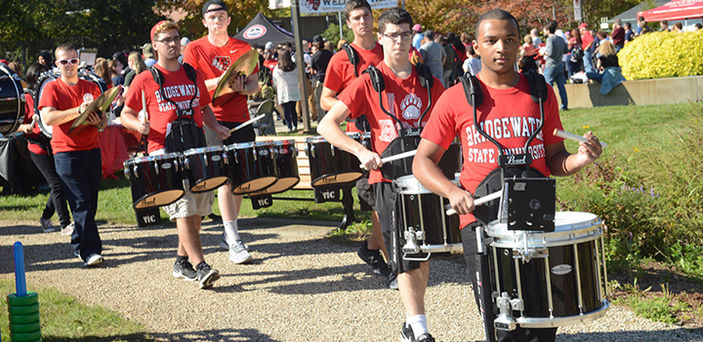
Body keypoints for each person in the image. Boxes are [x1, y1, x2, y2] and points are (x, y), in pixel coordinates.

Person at [412, 9, 603, 342]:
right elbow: (423, 161)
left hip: (536, 217)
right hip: (482, 224)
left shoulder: (541, 93)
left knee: (543, 321)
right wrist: (452, 191)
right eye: (492, 40)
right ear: (476, 46)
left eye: (509, 40)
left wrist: (581, 159)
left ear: (520, 46)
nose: (501, 47)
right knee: (503, 323)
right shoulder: (457, 98)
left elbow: (555, 158)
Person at [319, 8, 445, 341]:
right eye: (392, 35)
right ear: (382, 38)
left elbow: (451, 126)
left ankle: (412, 322)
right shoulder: (369, 81)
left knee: (423, 252)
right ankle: (419, 327)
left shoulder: (429, 83)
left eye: (405, 34)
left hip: (424, 177)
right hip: (388, 180)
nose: (399, 41)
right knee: (404, 254)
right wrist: (361, 151)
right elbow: (326, 124)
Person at [121, 20, 230, 289]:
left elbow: (204, 107)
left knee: (198, 212)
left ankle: (181, 262)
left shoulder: (192, 74)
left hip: (195, 148)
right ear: (155, 45)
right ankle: (201, 265)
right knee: (183, 208)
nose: (172, 44)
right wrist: (138, 125)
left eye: (176, 38)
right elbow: (125, 114)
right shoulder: (145, 78)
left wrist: (216, 127)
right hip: (164, 153)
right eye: (166, 40)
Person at [319, 0, 394, 289]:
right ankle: (390, 263)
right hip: (358, 138)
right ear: (348, 23)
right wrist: (353, 106)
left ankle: (371, 248)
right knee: (379, 200)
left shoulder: (386, 49)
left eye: (367, 16)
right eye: (357, 17)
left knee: (385, 199)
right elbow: (325, 100)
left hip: (388, 134)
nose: (363, 21)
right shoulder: (341, 59)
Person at [182, 0, 260, 264]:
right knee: (225, 179)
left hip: (242, 119)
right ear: (204, 22)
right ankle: (234, 241)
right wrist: (224, 79)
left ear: (229, 20)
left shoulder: (243, 48)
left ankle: (230, 233)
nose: (217, 20)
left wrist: (241, 88)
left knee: (239, 180)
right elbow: (193, 85)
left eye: (222, 16)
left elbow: (254, 86)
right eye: (212, 17)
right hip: (211, 120)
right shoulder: (194, 48)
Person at [39, 44, 108, 267]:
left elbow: (103, 119)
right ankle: (91, 251)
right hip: (65, 152)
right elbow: (48, 118)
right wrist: (78, 110)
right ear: (56, 65)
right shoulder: (51, 88)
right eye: (64, 61)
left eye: (73, 60)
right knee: (80, 202)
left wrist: (99, 122)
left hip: (91, 149)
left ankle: (78, 243)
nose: (69, 65)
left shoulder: (91, 86)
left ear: (79, 62)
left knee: (91, 202)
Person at [17, 63, 73, 234]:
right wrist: (23, 128)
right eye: (40, 76)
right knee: (56, 183)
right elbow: (13, 124)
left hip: (54, 143)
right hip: (37, 147)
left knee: (62, 182)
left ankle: (46, 216)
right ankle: (65, 223)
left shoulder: (52, 93)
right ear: (34, 78)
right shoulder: (25, 97)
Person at [541, 20, 568, 111]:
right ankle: (564, 105)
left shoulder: (550, 39)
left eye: (544, 30)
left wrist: (542, 52)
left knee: (548, 87)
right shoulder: (560, 39)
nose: (543, 31)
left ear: (548, 30)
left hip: (551, 65)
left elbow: (550, 52)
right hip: (560, 65)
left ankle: (549, 107)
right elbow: (566, 50)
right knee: (561, 87)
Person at [272, 49, 300, 132]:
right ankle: (295, 125)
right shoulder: (294, 67)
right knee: (293, 109)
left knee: (286, 111)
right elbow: (298, 76)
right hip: (293, 90)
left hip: (283, 91)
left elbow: (275, 80)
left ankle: (289, 127)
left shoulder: (277, 69)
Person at [310, 35, 334, 122]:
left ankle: (322, 121)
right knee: (330, 100)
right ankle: (333, 120)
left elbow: (312, 70)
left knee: (320, 102)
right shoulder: (330, 54)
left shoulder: (315, 56)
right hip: (330, 80)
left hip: (319, 79)